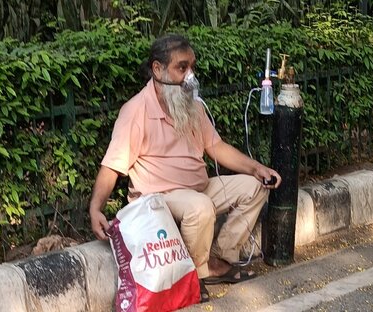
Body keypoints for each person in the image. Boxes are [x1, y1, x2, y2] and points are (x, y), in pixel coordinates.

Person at [88, 33, 282, 302]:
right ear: (158, 69)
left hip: (199, 188)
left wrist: (256, 168)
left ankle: (219, 260)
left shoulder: (191, 104)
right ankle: (194, 275)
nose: (190, 76)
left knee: (255, 187)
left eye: (192, 67)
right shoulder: (135, 110)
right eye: (182, 67)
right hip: (160, 198)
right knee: (199, 207)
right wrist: (95, 208)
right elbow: (112, 165)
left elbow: (216, 147)